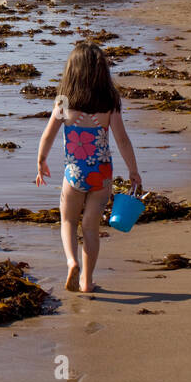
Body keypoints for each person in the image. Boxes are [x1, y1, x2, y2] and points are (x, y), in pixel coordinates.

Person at [35, 42, 141, 293]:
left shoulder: (63, 102)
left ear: (72, 72)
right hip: (102, 175)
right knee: (91, 229)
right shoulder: (110, 102)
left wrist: (41, 161)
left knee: (68, 221)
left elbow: (48, 135)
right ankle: (87, 281)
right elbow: (122, 139)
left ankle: (72, 262)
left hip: (74, 173)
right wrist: (133, 170)